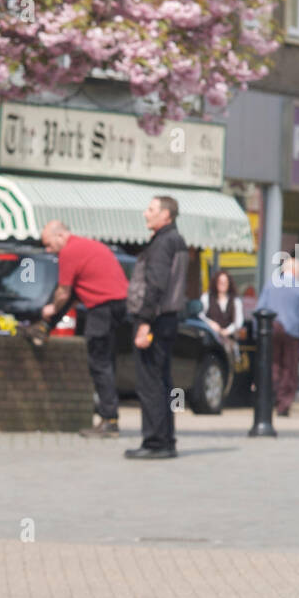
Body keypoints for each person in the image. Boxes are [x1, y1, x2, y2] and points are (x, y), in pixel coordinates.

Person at [37, 222, 129, 438]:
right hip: (118, 305)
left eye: (49, 245)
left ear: (60, 235)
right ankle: (109, 417)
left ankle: (109, 421)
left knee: (99, 362)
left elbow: (63, 292)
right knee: (106, 361)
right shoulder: (88, 245)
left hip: (103, 307)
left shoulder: (69, 251)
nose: (49, 250)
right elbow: (74, 294)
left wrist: (51, 308)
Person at [124, 195, 189, 460]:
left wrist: (143, 323)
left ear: (166, 215)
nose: (145, 214)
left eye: (151, 209)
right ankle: (166, 440)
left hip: (156, 319)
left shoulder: (163, 242)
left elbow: (155, 285)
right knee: (162, 380)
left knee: (150, 382)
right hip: (168, 319)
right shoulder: (177, 240)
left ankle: (155, 442)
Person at [255, 257, 299, 416]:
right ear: (295, 272)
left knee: (272, 365)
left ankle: (270, 396)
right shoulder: (298, 288)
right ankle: (283, 404)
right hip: (292, 333)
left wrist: (257, 334)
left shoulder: (271, 284)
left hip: (271, 329)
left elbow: (259, 309)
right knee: (289, 368)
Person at [201, 269, 244, 366]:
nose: (222, 284)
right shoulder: (206, 297)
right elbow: (200, 316)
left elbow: (239, 322)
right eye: (220, 282)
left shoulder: (235, 301)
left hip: (229, 342)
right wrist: (211, 324)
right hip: (210, 341)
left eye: (225, 282)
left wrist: (227, 331)